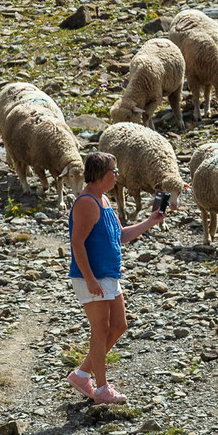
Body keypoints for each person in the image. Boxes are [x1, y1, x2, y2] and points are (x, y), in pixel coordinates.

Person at [67, 150, 164, 406]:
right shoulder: (86, 202)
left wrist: (151, 221)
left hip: (108, 275)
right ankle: (101, 388)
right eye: (114, 170)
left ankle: (82, 375)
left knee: (119, 325)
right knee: (100, 330)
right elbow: (77, 243)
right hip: (92, 276)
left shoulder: (104, 200)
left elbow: (120, 235)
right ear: (102, 173)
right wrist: (90, 279)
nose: (118, 175)